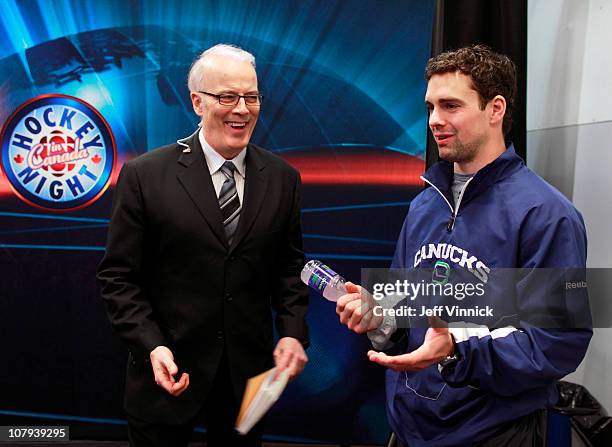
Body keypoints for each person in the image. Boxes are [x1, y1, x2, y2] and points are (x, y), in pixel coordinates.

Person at [336, 45, 591, 446]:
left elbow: (557, 343)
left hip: (492, 433)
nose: (436, 120)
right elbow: (406, 311)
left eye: (451, 105)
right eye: (431, 107)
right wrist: (379, 320)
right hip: (409, 428)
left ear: (496, 109)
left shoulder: (547, 215)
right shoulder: (424, 204)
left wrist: (456, 351)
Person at [97, 44, 309, 447]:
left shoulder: (283, 178)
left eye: (251, 96)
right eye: (227, 97)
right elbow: (118, 277)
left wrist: (293, 332)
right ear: (196, 101)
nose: (242, 109)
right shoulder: (145, 175)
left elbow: (288, 267)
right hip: (166, 371)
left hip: (248, 381)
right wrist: (151, 346)